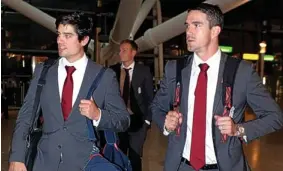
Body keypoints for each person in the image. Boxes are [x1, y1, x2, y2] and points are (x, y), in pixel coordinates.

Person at [151, 3, 283, 171]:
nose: (188, 31)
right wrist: (165, 122)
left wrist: (238, 129)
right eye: (187, 25)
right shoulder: (174, 69)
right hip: (181, 166)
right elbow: (156, 107)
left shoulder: (240, 72)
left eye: (196, 25)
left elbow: (275, 117)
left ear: (215, 31)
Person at [9, 12, 130, 171]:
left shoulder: (104, 76)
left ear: (84, 40)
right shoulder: (43, 72)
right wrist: (17, 157)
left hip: (83, 162)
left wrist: (97, 115)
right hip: (45, 162)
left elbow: (123, 120)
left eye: (67, 35)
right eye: (59, 34)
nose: (60, 40)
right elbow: (25, 117)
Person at [110, 39, 154, 171]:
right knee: (119, 155)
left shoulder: (143, 71)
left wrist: (147, 121)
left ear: (133, 53)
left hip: (138, 122)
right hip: (118, 122)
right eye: (120, 50)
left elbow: (150, 98)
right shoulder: (113, 71)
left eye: (124, 50)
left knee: (135, 157)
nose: (120, 53)